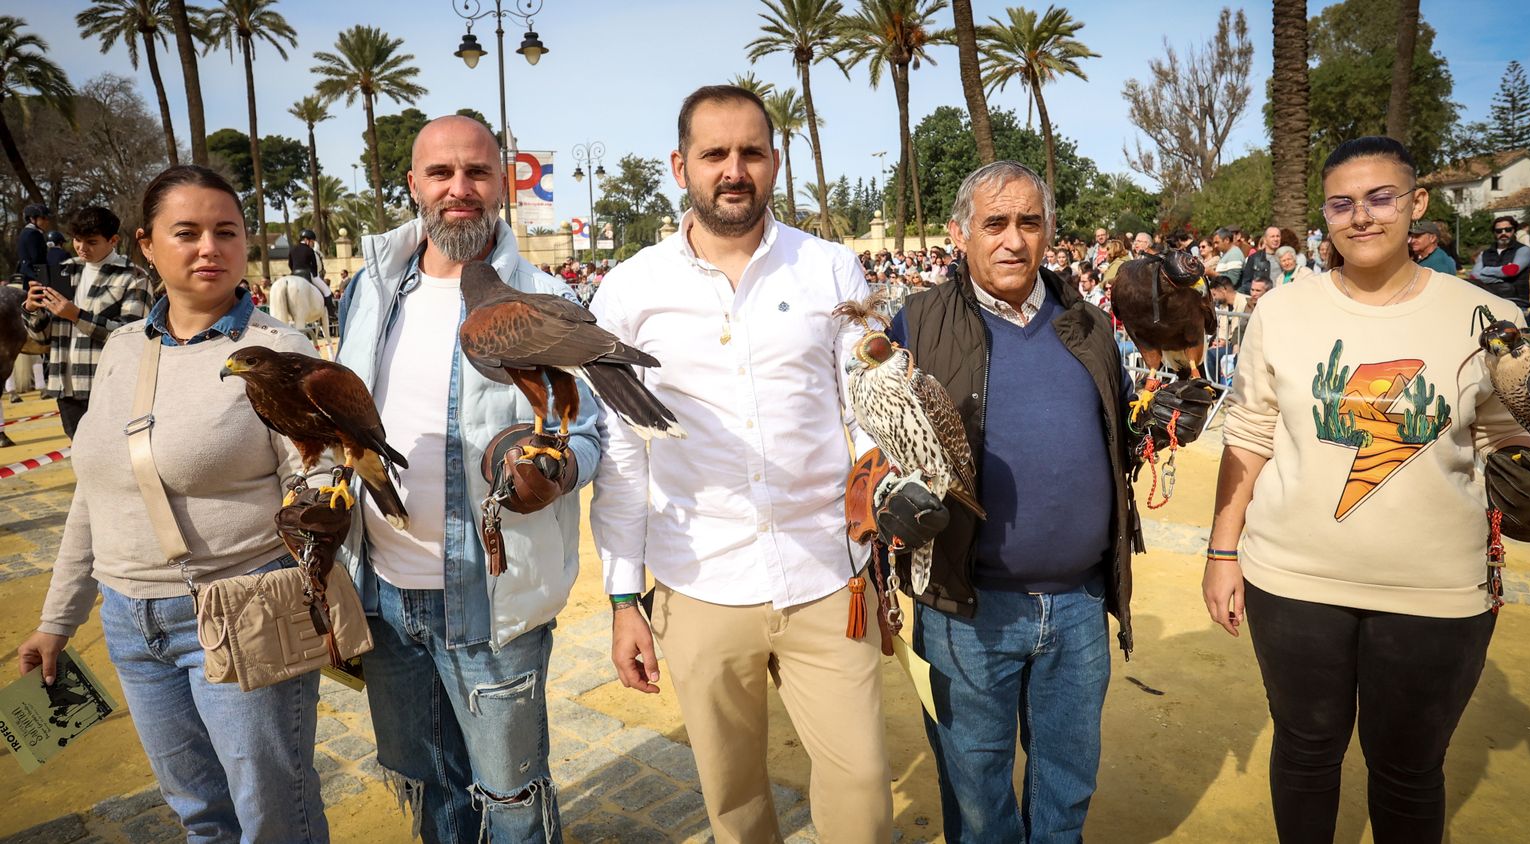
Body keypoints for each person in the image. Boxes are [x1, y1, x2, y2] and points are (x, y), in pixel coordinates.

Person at [1204, 136, 1530, 843]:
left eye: (1380, 197)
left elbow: (1501, 437)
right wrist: (1222, 552)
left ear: (1416, 204)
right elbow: (1249, 435)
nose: (1362, 216)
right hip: (1293, 582)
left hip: (1437, 592)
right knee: (1304, 752)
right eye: (1342, 203)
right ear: (1325, 216)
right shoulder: (1282, 312)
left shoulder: (1486, 316)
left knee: (1409, 770)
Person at [591, 84, 890, 843]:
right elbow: (624, 454)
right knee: (734, 801)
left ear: (775, 163)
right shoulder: (629, 291)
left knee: (861, 788)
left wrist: (876, 529)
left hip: (828, 573)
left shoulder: (829, 271)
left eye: (751, 152)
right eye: (715, 153)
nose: (734, 169)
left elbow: (866, 414)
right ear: (680, 165)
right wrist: (625, 598)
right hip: (699, 586)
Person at [883, 160, 1211, 843]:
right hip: (966, 610)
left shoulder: (1089, 324)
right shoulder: (916, 322)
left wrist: (1153, 422)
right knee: (977, 796)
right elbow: (879, 440)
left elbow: (1118, 427)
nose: (1012, 240)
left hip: (1079, 605)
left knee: (1066, 788)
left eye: (1029, 223)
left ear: (1049, 233)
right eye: (994, 223)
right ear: (959, 234)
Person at [16, 165, 333, 841]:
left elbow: (318, 487)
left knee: (273, 817)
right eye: (185, 232)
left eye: (227, 232)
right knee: (199, 816)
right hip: (130, 624)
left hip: (238, 611)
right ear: (147, 244)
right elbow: (94, 496)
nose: (208, 248)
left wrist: (318, 578)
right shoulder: (125, 349)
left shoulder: (281, 351)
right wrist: (56, 620)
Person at [334, 115, 599, 843]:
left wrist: (556, 467)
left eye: (478, 173)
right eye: (442, 174)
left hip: (491, 601)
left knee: (510, 802)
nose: (461, 189)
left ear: (503, 184)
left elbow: (591, 432)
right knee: (431, 791)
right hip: (385, 598)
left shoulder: (544, 293)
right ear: (415, 184)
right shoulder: (371, 290)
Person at [22, 205, 155, 439]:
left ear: (113, 240)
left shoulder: (134, 277)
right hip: (65, 386)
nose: (82, 248)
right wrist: (33, 310)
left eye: (92, 242)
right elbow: (42, 338)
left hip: (108, 387)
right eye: (77, 240)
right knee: (80, 458)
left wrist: (75, 315)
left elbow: (130, 337)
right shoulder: (62, 271)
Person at [1470, 215, 1530, 304]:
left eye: (1508, 230)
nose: (1503, 233)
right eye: (1499, 231)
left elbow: (1512, 270)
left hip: (1516, 302)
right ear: (1494, 233)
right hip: (1488, 301)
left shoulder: (1524, 250)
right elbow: (1474, 277)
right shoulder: (1485, 253)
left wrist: (1485, 270)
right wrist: (1500, 277)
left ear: (1514, 230)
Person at [15, 203, 51, 283]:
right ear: (32, 219)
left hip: (28, 276)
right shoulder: (34, 234)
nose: (47, 221)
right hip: (35, 278)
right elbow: (37, 259)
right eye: (43, 218)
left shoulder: (25, 232)